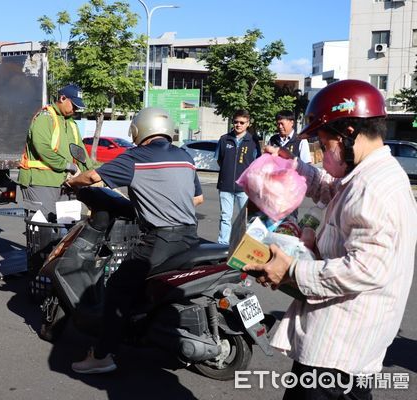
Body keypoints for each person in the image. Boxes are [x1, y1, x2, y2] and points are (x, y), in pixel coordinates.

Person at [244, 79, 417, 400]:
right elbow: (331, 188)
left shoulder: (374, 188)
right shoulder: (368, 174)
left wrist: (292, 270)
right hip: (341, 347)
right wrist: (289, 165)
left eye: (324, 145)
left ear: (348, 133)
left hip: (338, 353)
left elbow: (365, 269)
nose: (323, 155)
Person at [66, 107, 204, 374]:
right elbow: (197, 199)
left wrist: (74, 182)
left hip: (160, 240)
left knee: (117, 287)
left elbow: (94, 177)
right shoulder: (185, 157)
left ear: (139, 130)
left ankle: (102, 355)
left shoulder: (136, 157)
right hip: (190, 235)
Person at [17, 84, 96, 221]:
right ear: (62, 98)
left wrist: (91, 174)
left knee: (63, 225)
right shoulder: (45, 117)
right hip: (40, 181)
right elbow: (42, 147)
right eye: (74, 105)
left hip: (64, 183)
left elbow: (80, 152)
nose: (76, 109)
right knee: (42, 225)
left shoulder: (71, 123)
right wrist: (67, 166)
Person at [215, 109, 261, 245]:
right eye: (236, 122)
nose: (238, 125)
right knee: (225, 217)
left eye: (242, 122)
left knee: (245, 219)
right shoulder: (224, 139)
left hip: (244, 188)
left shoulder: (253, 141)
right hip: (226, 186)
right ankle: (222, 245)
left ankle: (243, 246)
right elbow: (219, 159)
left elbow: (256, 163)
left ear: (248, 123)